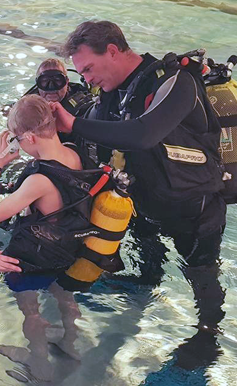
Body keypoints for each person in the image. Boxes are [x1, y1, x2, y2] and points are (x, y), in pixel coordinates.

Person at [52, 20, 226, 379]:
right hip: (146, 202)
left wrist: (73, 125)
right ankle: (148, 284)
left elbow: (146, 133)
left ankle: (209, 333)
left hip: (194, 206)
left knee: (201, 272)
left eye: (87, 68)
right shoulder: (114, 93)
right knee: (147, 251)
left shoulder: (176, 81)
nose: (85, 79)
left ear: (113, 51)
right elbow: (90, 146)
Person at [0, 95, 85, 381]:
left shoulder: (38, 180)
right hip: (67, 250)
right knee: (64, 297)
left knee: (31, 311)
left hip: (35, 258)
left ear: (27, 136)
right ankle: (70, 346)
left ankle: (38, 364)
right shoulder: (73, 155)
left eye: (16, 139)